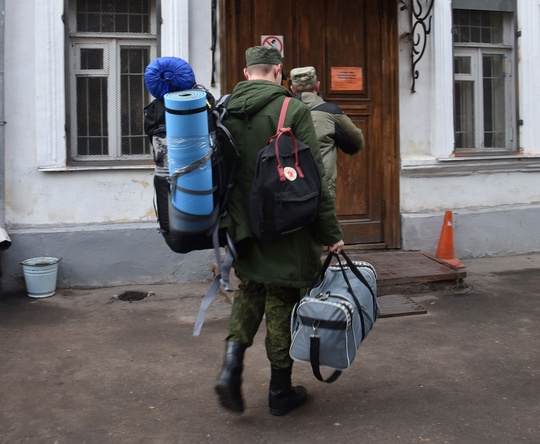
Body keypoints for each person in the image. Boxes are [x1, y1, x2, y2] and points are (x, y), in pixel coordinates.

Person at [214, 46, 344, 416]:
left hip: (242, 228)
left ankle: (230, 366)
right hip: (288, 227)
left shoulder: (223, 111)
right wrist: (330, 233)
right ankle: (279, 390)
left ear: (245, 71)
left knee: (250, 290)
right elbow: (313, 180)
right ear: (278, 72)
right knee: (281, 302)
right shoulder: (292, 110)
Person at [289, 66, 365, 200]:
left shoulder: (282, 112)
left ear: (292, 89)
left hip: (289, 184)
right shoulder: (331, 112)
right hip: (322, 187)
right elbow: (357, 141)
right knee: (324, 219)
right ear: (317, 86)